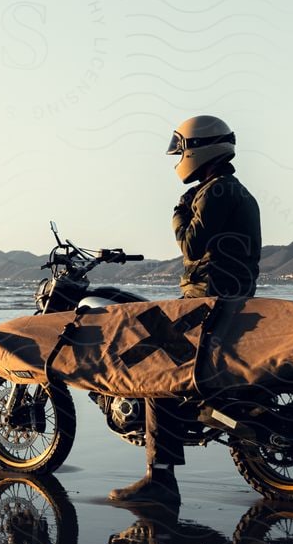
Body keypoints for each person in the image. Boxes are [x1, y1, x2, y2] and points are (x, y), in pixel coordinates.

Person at [109, 114, 262, 508]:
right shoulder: (240, 192)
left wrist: (179, 211)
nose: (179, 158)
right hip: (232, 298)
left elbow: (192, 247)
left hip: (207, 300)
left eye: (182, 149)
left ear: (198, 149)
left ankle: (159, 478)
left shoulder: (214, 192)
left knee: (155, 371)